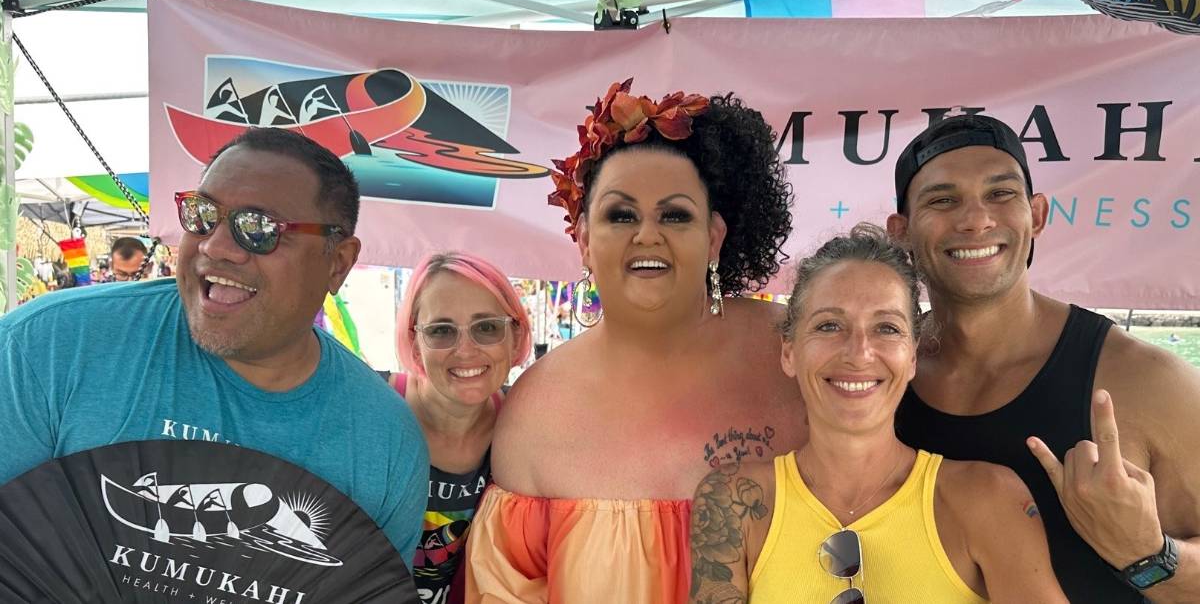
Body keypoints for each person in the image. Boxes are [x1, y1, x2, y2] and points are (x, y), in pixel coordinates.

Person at [0, 127, 429, 571]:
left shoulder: (385, 443)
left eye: (259, 229)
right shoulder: (48, 347)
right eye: (202, 215)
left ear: (337, 263)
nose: (215, 246)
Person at [466, 79, 808, 602]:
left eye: (675, 215)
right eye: (621, 215)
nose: (647, 235)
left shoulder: (801, 355)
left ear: (714, 237)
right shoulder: (534, 409)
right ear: (584, 239)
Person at [887, 115, 1200, 602]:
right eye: (943, 200)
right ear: (901, 231)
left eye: (1000, 194)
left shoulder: (1145, 380)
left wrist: (1146, 555)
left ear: (1036, 215)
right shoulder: (875, 379)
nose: (976, 220)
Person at [689, 224, 1067, 603]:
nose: (859, 353)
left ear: (913, 355)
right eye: (829, 325)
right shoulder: (732, 501)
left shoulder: (987, 498)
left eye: (886, 328)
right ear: (789, 352)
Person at [393, 252, 532, 604]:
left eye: (487, 327)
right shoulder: (371, 409)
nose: (466, 350)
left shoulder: (527, 425)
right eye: (441, 331)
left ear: (516, 336)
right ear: (415, 343)